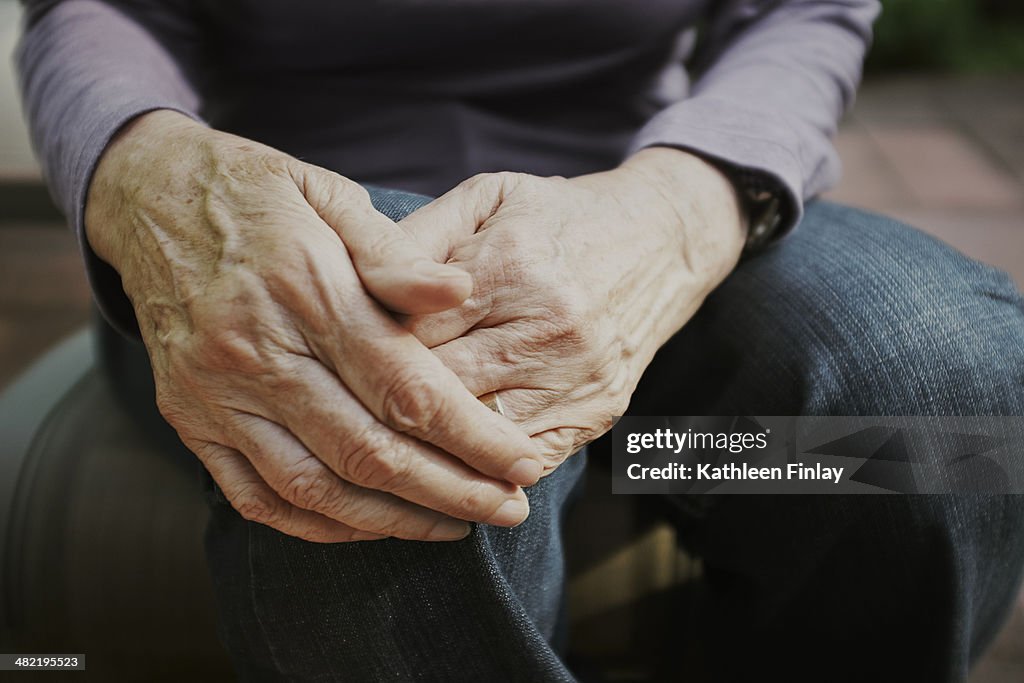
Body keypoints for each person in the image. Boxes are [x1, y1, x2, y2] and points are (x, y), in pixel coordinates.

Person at [15, 1, 1024, 680]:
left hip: (643, 186)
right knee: (384, 416)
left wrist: (684, 201)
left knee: (939, 389)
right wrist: (140, 163)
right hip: (278, 209)